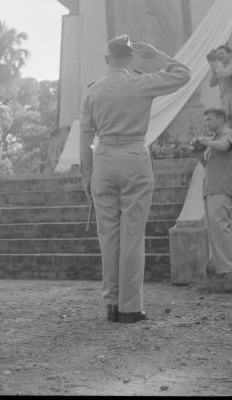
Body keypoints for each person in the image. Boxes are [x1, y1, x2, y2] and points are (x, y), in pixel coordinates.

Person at [80, 35, 190, 323]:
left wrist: (87, 173)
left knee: (108, 237)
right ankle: (130, 306)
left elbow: (85, 135)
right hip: (133, 156)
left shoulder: (92, 92)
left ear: (107, 59)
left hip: (103, 159)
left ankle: (111, 303)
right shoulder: (141, 82)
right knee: (132, 235)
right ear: (131, 58)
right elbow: (183, 74)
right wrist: (158, 56)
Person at [191, 108, 232, 278]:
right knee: (215, 231)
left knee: (222, 228)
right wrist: (198, 153)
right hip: (211, 188)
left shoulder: (228, 133)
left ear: (221, 118)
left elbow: (225, 146)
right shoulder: (214, 139)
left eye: (210, 119)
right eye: (205, 120)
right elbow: (208, 165)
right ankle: (223, 269)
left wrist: (204, 141)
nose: (207, 123)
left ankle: (230, 269)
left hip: (223, 188)